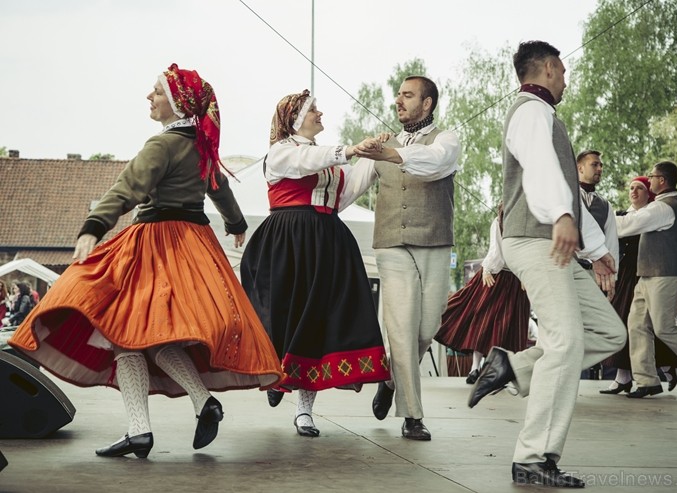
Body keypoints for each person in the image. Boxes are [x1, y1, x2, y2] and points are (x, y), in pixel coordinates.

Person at [9, 63, 284, 458]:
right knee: (150, 337)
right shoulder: (200, 145)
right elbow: (219, 188)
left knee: (126, 332)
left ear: (176, 101)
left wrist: (93, 225)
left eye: (156, 91)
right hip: (194, 247)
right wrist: (236, 222)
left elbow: (129, 186)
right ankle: (193, 405)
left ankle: (148, 425)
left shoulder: (162, 145)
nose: (149, 97)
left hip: (155, 246)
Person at [467, 41, 626, 488]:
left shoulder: (543, 114)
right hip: (536, 241)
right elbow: (540, 171)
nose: (566, 79)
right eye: (564, 71)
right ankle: (533, 457)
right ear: (551, 69)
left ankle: (513, 368)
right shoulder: (530, 111)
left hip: (550, 243)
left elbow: (568, 192)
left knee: (608, 333)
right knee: (565, 341)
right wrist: (559, 215)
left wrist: (596, 250)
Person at [239, 90, 391, 438]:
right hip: (286, 242)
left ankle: (304, 410)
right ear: (294, 119)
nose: (320, 114)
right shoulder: (280, 153)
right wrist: (349, 150)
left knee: (318, 323)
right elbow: (304, 162)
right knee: (279, 315)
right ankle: (275, 376)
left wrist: (373, 155)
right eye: (312, 110)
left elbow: (348, 190)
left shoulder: (330, 160)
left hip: (326, 241)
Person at [351, 75, 460, 441]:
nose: (398, 101)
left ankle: (390, 379)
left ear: (427, 104)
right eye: (398, 95)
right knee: (400, 327)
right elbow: (348, 188)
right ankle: (412, 415)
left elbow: (434, 163)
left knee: (427, 328)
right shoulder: (380, 144)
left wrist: (392, 153)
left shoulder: (446, 139)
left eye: (407, 95)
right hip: (391, 245)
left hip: (434, 242)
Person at [614, 160, 677, 399]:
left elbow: (628, 224)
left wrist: (600, 217)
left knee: (665, 328)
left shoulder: (662, 208)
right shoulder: (676, 206)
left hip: (665, 275)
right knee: (637, 325)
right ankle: (646, 380)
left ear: (662, 180)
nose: (649, 181)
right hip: (649, 274)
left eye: (652, 177)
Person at [599, 177, 677, 394]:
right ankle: (623, 376)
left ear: (649, 194)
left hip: (645, 274)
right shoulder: (622, 216)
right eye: (631, 188)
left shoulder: (654, 216)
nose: (634, 191)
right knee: (621, 321)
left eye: (640, 188)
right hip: (623, 274)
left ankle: (664, 366)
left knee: (644, 324)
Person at [434, 208, 530, 384]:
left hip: (515, 279)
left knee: (506, 325)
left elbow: (528, 251)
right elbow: (495, 248)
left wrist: (526, 274)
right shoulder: (499, 221)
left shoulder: (526, 220)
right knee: (483, 321)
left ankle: (491, 368)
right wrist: (487, 268)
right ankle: (475, 367)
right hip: (496, 276)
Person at [575, 150, 619, 279]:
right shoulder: (566, 196)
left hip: (596, 275)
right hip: (564, 268)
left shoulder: (606, 205)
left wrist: (613, 278)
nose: (599, 169)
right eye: (594, 165)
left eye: (601, 165)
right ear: (580, 168)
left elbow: (612, 243)